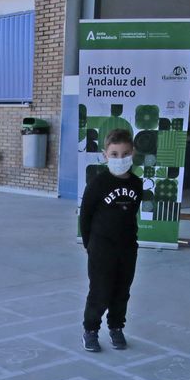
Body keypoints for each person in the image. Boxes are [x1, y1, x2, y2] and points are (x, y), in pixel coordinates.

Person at [79, 129, 143, 352]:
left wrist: (130, 243)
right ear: (105, 155)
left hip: (127, 248)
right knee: (100, 291)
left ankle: (116, 327)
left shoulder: (136, 183)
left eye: (125, 154)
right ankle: (90, 331)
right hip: (101, 247)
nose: (120, 159)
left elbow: (131, 213)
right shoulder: (98, 183)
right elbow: (85, 215)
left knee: (122, 290)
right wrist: (90, 245)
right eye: (114, 154)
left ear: (132, 153)